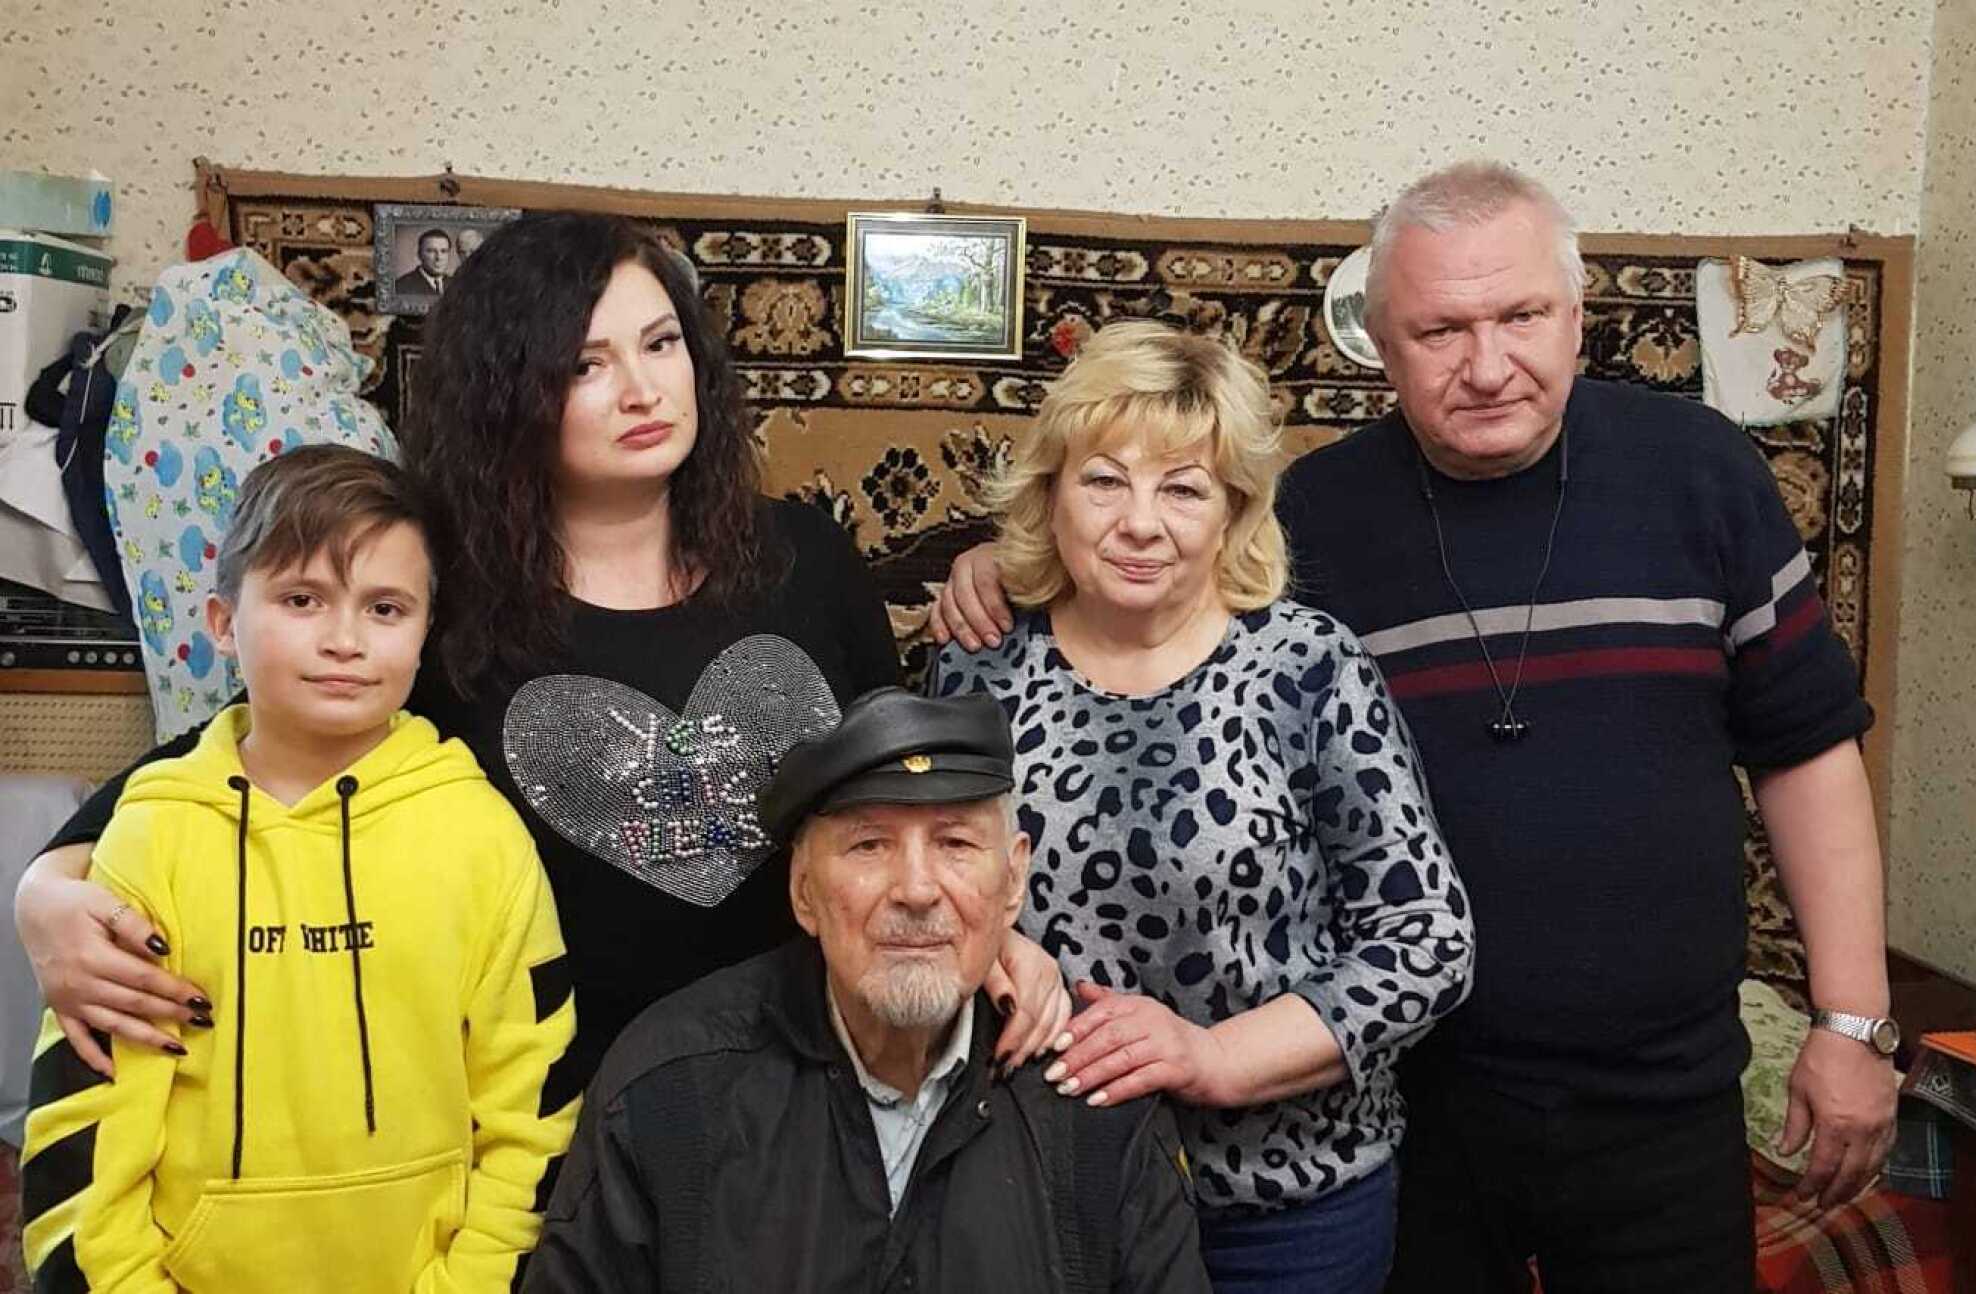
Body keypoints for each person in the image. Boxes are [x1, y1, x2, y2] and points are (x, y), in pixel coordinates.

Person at [930, 162, 1896, 1293]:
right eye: (1438, 329)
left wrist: (1852, 1019)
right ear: (1377, 343)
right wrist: (1009, 562)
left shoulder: (1698, 473)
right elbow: (1149, 550)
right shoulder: (1311, 518)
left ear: (1577, 315)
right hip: (1418, 1110)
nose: (1486, 364)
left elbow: (1806, 751)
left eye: (1521, 316)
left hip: (1658, 1095)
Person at [17, 211, 1069, 1113]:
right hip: (531, 1112)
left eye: (661, 345)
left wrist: (981, 947)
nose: (641, 388)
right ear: (509, 392)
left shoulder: (808, 558)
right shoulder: (436, 591)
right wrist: (46, 889)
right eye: (583, 365)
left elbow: (900, 806)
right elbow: (239, 754)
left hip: (796, 1103)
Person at [929, 321, 1471, 1294]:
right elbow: (915, 882)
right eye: (1104, 480)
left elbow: (1426, 942)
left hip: (1282, 1209)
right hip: (1041, 1192)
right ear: (1050, 491)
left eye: (1181, 488)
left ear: (1231, 512)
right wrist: (986, 947)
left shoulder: (1309, 667)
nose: (1140, 522)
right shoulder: (977, 667)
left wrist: (1212, 1056)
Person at [20, 445, 576, 1293]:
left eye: (386, 608)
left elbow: (532, 1107)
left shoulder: (481, 835)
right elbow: (86, 1120)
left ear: (428, 629)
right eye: (302, 599)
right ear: (221, 621)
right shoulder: (149, 836)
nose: (345, 640)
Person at [525, 687, 1211, 1293]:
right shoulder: (668, 1094)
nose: (915, 890)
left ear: (1013, 881)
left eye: (955, 845)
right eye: (868, 847)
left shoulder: (1094, 1103)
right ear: (803, 891)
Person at [394, 228, 454, 297]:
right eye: (431, 251)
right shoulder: (401, 287)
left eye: (443, 251)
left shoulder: (456, 284)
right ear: (419, 254)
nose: (438, 257)